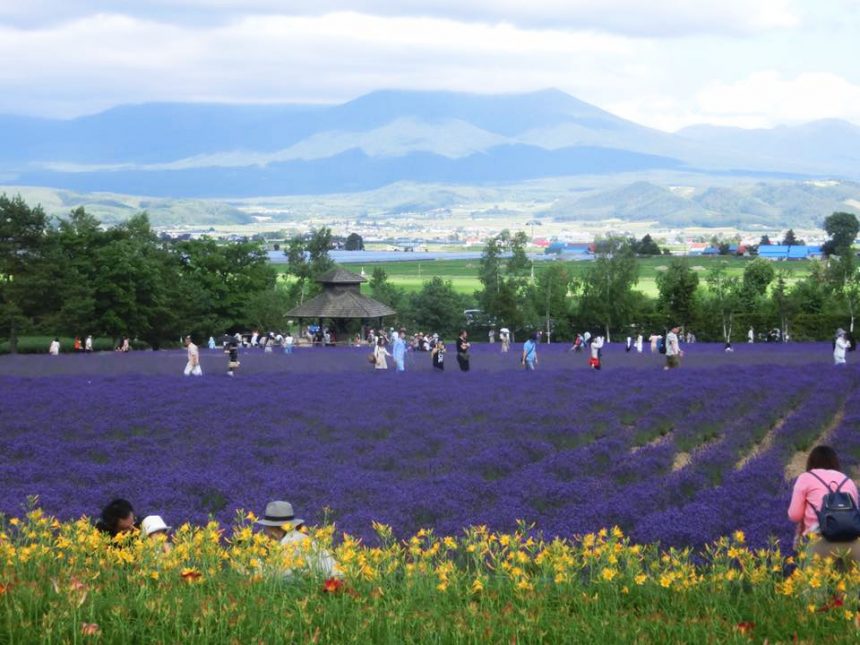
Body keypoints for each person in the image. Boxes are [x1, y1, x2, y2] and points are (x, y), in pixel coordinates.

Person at [788, 446, 860, 562]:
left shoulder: (806, 478)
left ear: (811, 462)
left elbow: (794, 515)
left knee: (813, 579)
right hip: (853, 545)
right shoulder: (848, 481)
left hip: (819, 544)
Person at [256, 501, 338, 578]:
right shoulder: (301, 537)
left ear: (273, 530)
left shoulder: (290, 544)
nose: (266, 533)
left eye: (267, 527)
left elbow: (280, 576)